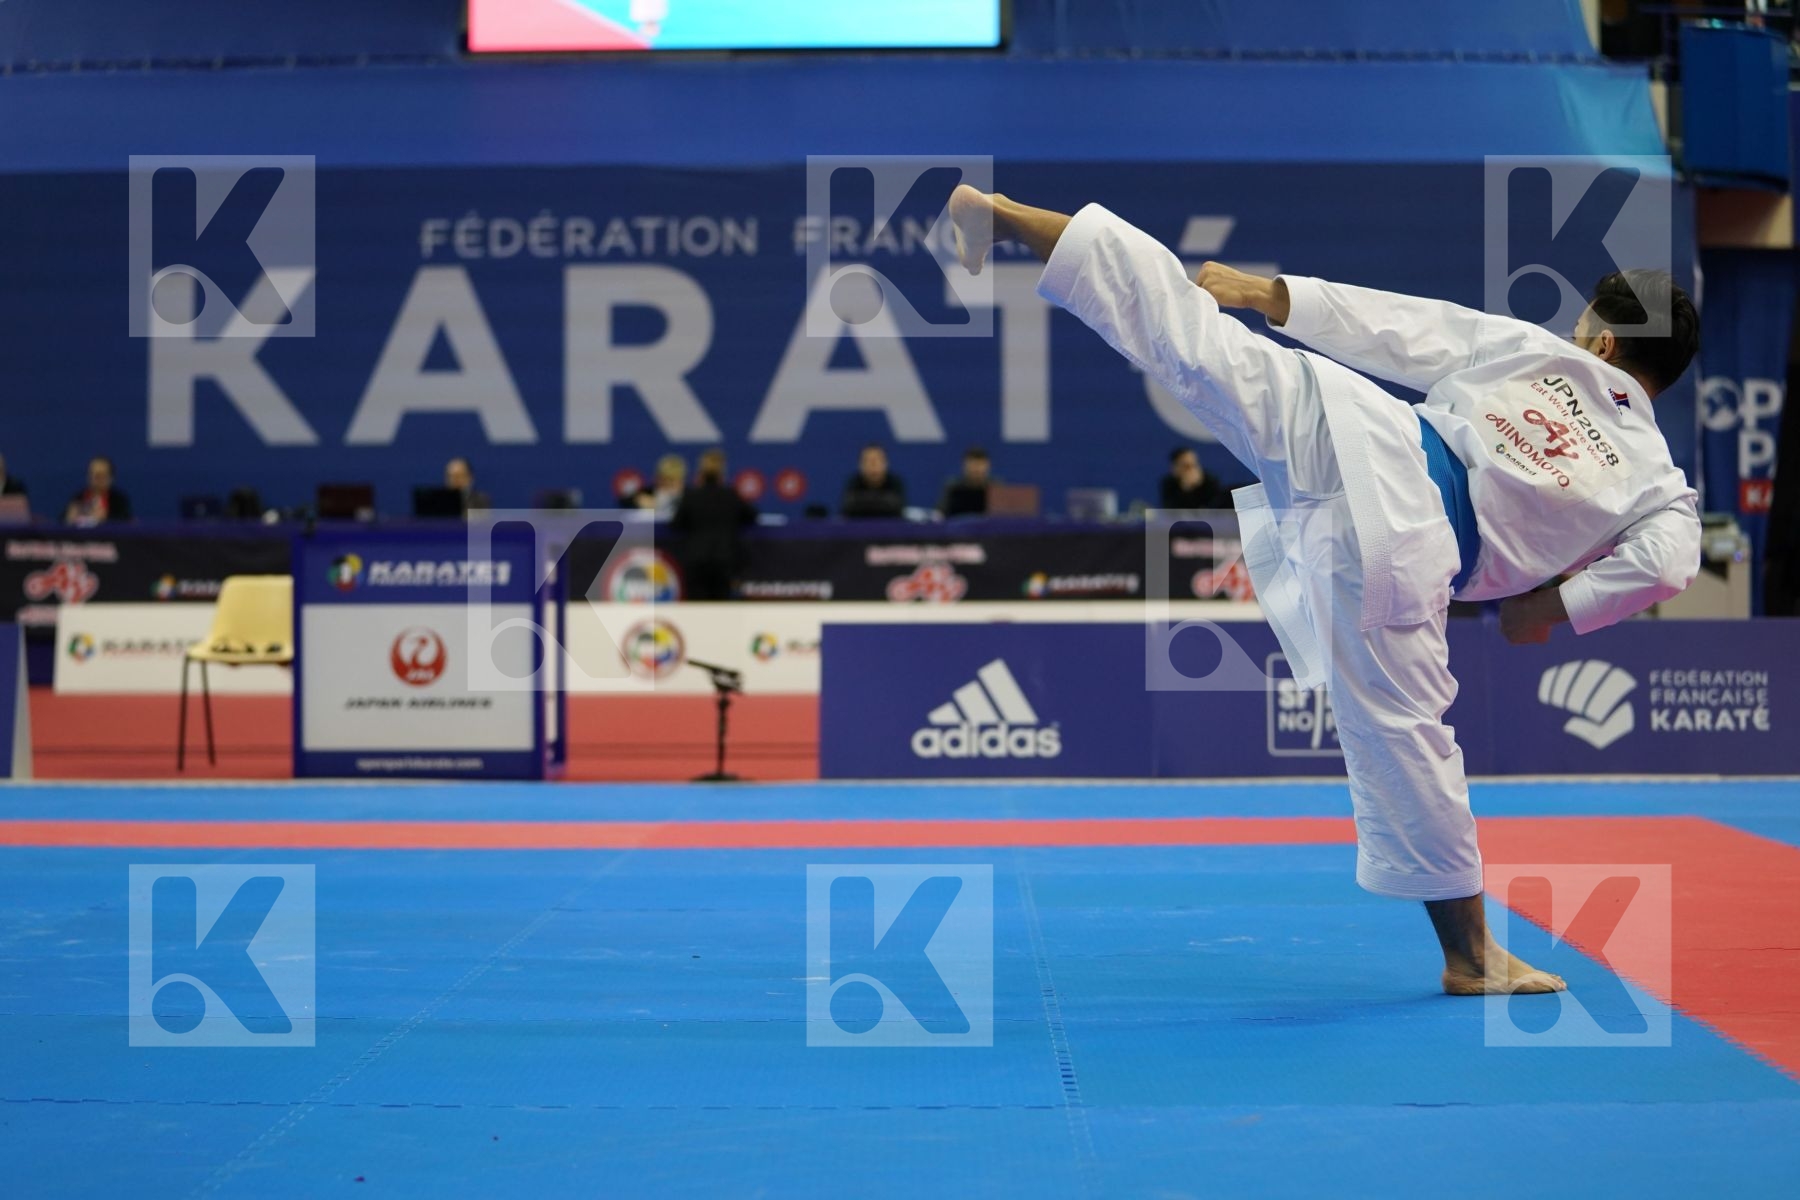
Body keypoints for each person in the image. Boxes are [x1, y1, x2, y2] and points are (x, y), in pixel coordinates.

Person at [948, 184, 1701, 996]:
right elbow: (1668, 564)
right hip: (1408, 543)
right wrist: (1547, 609)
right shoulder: (1658, 482)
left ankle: (1005, 211)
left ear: (1605, 343)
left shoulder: (1534, 350)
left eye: (1583, 326)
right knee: (1409, 740)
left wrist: (1264, 294)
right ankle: (1472, 957)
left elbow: (1407, 327)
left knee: (1189, 339)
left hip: (1359, 425)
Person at [672, 448, 756, 601]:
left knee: (697, 610)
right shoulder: (730, 495)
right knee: (720, 610)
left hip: (696, 560)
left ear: (700, 474)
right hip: (723, 560)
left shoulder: (692, 496)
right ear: (722, 474)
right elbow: (752, 516)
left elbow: (676, 523)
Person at [841, 444, 907, 518]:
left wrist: (864, 502)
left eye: (877, 460)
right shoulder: (854, 483)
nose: (873, 465)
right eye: (868, 461)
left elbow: (897, 508)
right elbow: (848, 508)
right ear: (860, 464)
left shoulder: (895, 483)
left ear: (886, 463)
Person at [65, 456, 132, 524]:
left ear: (111, 478)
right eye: (93, 475)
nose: (96, 480)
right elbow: (61, 521)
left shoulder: (119, 500)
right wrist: (69, 518)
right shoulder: (78, 498)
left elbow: (125, 522)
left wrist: (105, 518)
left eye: (101, 476)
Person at [1160, 446, 1232, 509]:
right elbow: (1170, 511)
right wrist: (1186, 489)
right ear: (1175, 468)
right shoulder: (1168, 483)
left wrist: (1198, 486)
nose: (1191, 470)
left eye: (1194, 465)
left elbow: (1217, 507)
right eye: (1186, 466)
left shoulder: (1210, 480)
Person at [938, 447, 993, 517]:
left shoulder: (996, 488)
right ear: (964, 466)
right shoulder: (952, 488)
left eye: (980, 465)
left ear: (988, 466)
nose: (976, 469)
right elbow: (940, 514)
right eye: (973, 464)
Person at [631, 454, 688, 520]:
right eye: (664, 479)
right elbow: (625, 499)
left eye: (672, 480)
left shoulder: (690, 496)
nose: (667, 483)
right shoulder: (649, 492)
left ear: (681, 480)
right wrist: (638, 500)